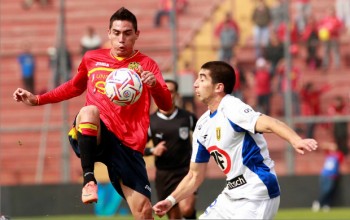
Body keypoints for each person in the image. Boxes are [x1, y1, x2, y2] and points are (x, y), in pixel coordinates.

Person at [13, 7, 172, 219]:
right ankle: (89, 180)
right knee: (88, 111)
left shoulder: (147, 64)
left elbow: (166, 106)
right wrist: (38, 99)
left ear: (136, 34)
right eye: (116, 33)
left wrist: (154, 86)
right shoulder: (92, 58)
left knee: (143, 212)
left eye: (127, 33)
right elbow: (74, 86)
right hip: (98, 133)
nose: (121, 39)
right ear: (109, 33)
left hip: (128, 144)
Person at [153, 61, 318, 219]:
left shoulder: (231, 107)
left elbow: (269, 123)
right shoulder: (202, 125)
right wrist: (170, 201)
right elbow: (195, 175)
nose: (195, 84)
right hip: (232, 194)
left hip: (256, 192)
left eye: (202, 79)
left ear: (219, 87)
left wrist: (296, 140)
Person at [145, 79, 198, 219]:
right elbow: (137, 148)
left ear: (177, 95)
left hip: (186, 171)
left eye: (171, 91)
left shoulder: (188, 118)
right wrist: (152, 150)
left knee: (186, 209)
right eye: (164, 91)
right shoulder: (150, 121)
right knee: (175, 217)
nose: (167, 94)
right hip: (164, 175)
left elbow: (204, 137)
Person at [312, 142, 344, 212]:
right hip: (324, 174)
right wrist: (329, 145)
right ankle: (320, 203)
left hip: (332, 175)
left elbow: (341, 159)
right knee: (323, 190)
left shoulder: (338, 155)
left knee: (328, 190)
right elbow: (322, 147)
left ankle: (325, 204)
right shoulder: (328, 154)